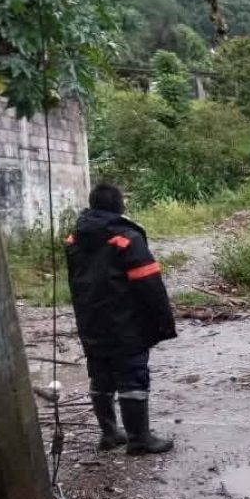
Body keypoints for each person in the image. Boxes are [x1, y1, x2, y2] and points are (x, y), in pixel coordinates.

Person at [65, 183, 176, 455]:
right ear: (119, 206)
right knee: (132, 378)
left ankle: (110, 434)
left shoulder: (74, 240)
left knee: (100, 376)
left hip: (90, 320)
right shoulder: (127, 238)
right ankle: (140, 439)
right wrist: (164, 322)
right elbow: (150, 285)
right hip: (126, 323)